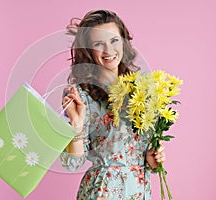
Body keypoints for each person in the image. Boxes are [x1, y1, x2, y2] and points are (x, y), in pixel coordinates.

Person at [60, 9, 166, 200]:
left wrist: (150, 159)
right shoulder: (81, 95)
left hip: (139, 190)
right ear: (88, 50)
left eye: (114, 40)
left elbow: (140, 149)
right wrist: (76, 125)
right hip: (103, 192)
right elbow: (72, 163)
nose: (109, 50)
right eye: (99, 44)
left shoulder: (141, 87)